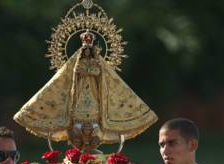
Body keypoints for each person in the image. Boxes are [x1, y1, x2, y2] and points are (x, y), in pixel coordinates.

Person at [13, 30, 157, 151]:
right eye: (86, 51)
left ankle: (95, 138)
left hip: (94, 89)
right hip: (80, 88)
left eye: (89, 50)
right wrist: (87, 70)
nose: (87, 53)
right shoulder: (77, 61)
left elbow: (97, 71)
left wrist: (90, 70)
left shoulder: (97, 61)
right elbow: (77, 70)